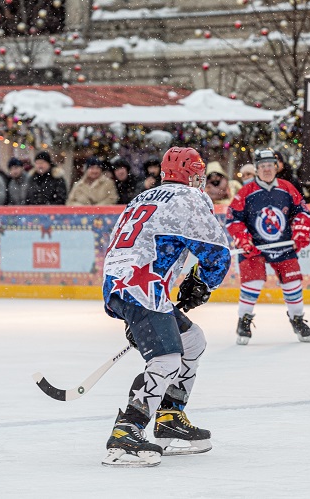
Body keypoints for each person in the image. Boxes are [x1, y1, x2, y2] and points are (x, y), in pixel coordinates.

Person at [101, 146, 231, 467]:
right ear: (191, 175)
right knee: (166, 358)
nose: (202, 181)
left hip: (123, 283)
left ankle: (170, 415)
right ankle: (126, 431)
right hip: (142, 286)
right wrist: (202, 283)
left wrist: (133, 316)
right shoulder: (190, 198)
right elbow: (216, 250)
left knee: (192, 341)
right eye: (199, 174)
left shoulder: (144, 197)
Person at [225, 148, 310, 345]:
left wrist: (300, 230)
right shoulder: (245, 192)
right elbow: (233, 219)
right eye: (262, 166)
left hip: (283, 247)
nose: (267, 170)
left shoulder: (287, 187)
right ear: (256, 169)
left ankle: (297, 319)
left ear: (276, 167)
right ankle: (244, 320)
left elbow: (302, 212)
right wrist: (244, 239)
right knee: (253, 283)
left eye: (270, 165)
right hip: (255, 249)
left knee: (293, 285)